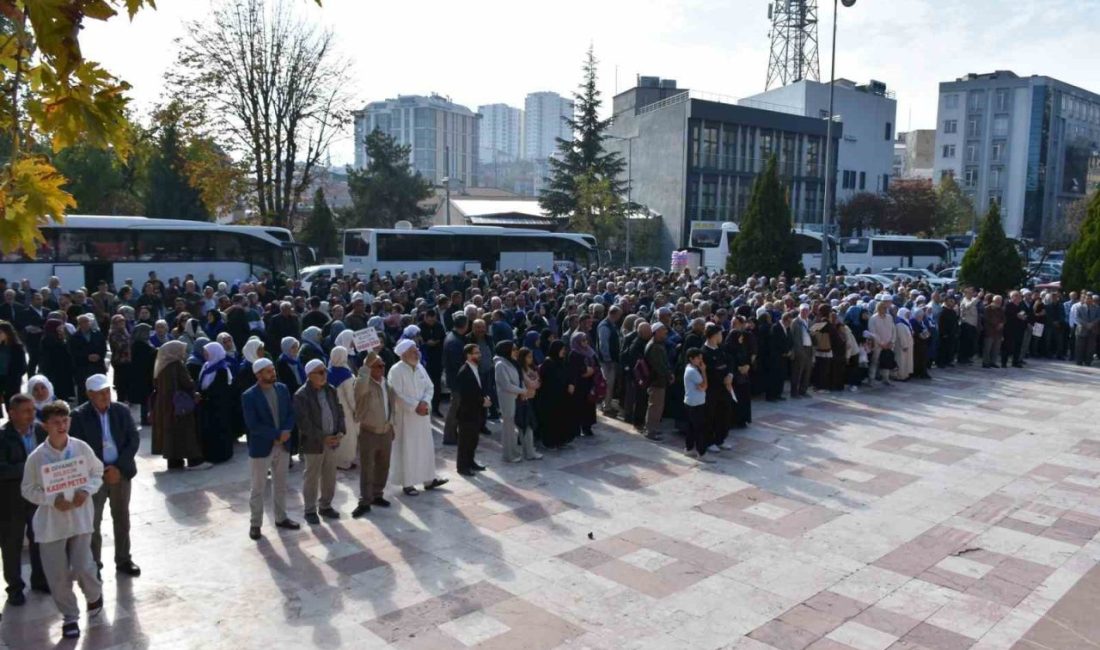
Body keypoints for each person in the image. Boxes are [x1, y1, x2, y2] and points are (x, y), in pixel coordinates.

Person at [22, 400, 103, 639]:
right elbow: (27, 489)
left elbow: (97, 472)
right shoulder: (37, 457)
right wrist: (51, 500)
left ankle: (94, 594)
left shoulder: (81, 448)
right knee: (56, 575)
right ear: (45, 425)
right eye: (55, 422)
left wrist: (86, 490)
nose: (61, 426)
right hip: (51, 524)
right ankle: (70, 616)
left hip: (79, 517)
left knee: (82, 565)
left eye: (65, 420)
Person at [68, 374, 141, 578]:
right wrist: (101, 472)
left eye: (107, 391)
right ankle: (94, 564)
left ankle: (124, 559)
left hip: (121, 473)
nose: (105, 396)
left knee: (122, 517)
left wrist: (118, 468)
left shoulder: (121, 411)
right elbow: (79, 449)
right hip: (94, 478)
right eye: (100, 393)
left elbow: (132, 439)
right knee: (93, 522)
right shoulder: (79, 417)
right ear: (89, 394)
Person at [241, 358, 299, 541]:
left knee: (281, 484)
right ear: (258, 375)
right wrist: (276, 435)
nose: (272, 373)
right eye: (268, 371)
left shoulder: (282, 389)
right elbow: (253, 425)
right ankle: (255, 524)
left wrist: (286, 431)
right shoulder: (249, 396)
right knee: (258, 488)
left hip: (283, 445)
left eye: (273, 370)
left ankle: (281, 518)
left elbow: (290, 413)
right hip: (262, 447)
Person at [0, 394, 48, 605]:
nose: (32, 415)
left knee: (39, 539)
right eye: (26, 411)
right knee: (12, 544)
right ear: (12, 414)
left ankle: (39, 579)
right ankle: (15, 587)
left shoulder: (39, 430)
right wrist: (30, 469)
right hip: (12, 500)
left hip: (37, 497)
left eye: (32, 410)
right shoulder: (3, 437)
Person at [387, 340, 449, 495]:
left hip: (422, 416)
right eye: (413, 351)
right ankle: (408, 484)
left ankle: (429, 479)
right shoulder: (396, 370)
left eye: (417, 350)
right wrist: (416, 406)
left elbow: (430, 387)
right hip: (406, 418)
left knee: (425, 448)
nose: (417, 353)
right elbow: (397, 395)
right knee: (408, 450)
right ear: (404, 354)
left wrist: (425, 402)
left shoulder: (420, 367)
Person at [294, 359, 345, 524]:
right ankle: (309, 510)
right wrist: (323, 437)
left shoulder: (330, 390)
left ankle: (326, 505)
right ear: (310, 375)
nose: (325, 375)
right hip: (314, 444)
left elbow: (338, 410)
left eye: (325, 371)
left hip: (332, 441)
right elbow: (304, 423)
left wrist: (340, 431)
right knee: (312, 477)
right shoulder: (301, 395)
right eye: (320, 372)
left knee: (330, 475)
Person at [151, 341, 205, 470]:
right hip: (179, 405)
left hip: (165, 405)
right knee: (186, 432)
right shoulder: (177, 365)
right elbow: (187, 383)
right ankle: (194, 460)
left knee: (171, 433)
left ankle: (174, 461)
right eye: (181, 350)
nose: (183, 353)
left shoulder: (162, 366)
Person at [351, 352, 393, 517]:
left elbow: (391, 406)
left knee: (384, 466)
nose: (382, 369)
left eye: (383, 365)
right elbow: (359, 390)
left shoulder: (386, 383)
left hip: (386, 431)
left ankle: (377, 494)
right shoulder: (364, 383)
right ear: (369, 368)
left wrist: (392, 426)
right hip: (369, 432)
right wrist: (366, 366)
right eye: (378, 366)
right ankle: (365, 501)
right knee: (367, 468)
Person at [198, 341, 235, 464]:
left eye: (207, 352)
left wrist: (203, 395)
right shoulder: (206, 366)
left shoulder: (222, 369)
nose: (205, 354)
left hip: (218, 406)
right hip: (207, 405)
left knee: (219, 431)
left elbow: (218, 389)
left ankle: (221, 455)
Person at [455, 343, 490, 476]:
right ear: (468, 355)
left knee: (473, 440)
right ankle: (462, 467)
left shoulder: (476, 368)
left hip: (476, 411)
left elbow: (479, 388)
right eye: (476, 353)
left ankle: (471, 462)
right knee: (465, 441)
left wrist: (485, 397)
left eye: (479, 353)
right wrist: (483, 401)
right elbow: (467, 394)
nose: (479, 355)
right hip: (467, 412)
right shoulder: (464, 372)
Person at [494, 341, 527, 462]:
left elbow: (519, 377)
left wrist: (522, 390)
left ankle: (513, 451)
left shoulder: (511, 361)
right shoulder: (500, 365)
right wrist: (522, 391)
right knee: (508, 428)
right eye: (513, 349)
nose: (516, 351)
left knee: (513, 427)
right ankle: (508, 454)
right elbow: (506, 385)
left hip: (515, 396)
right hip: (507, 398)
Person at [536, 340, 572, 450]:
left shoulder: (562, 361)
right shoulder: (548, 363)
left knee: (560, 419)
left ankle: (560, 440)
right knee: (551, 420)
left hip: (561, 396)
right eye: (561, 349)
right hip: (549, 397)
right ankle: (550, 442)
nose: (563, 351)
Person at [328, 346, 359, 470]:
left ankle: (334, 460)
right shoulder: (347, 376)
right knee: (348, 436)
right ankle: (344, 462)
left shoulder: (327, 372)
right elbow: (351, 397)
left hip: (331, 409)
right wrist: (357, 411)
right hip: (345, 410)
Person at [442, 314, 469, 446]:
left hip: (456, 379)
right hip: (457, 381)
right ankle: (450, 436)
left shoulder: (455, 338)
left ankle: (453, 434)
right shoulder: (454, 341)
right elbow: (456, 364)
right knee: (455, 408)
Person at [682, 348, 713, 462]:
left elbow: (701, 387)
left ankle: (689, 448)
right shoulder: (693, 371)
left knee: (691, 427)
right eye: (698, 358)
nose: (701, 360)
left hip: (691, 401)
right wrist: (704, 371)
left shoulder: (691, 368)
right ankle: (702, 453)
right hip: (696, 404)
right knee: (700, 429)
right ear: (691, 359)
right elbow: (704, 386)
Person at [644, 323, 673, 439]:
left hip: (659, 380)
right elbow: (659, 366)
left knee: (657, 406)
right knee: (655, 406)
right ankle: (651, 431)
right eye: (663, 330)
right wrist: (668, 375)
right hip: (656, 381)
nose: (665, 332)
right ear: (656, 332)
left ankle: (654, 428)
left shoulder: (658, 344)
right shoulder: (654, 346)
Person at [68, 315, 107, 402]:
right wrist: (86, 357)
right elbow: (73, 352)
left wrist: (99, 356)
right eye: (84, 322)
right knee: (83, 391)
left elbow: (103, 348)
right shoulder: (74, 337)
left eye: (87, 322)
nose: (86, 324)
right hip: (82, 368)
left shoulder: (97, 334)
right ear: (79, 324)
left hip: (97, 366)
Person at [567, 332, 599, 438]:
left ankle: (587, 427)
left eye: (586, 340)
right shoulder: (574, 353)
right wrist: (585, 371)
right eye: (583, 340)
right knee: (578, 406)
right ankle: (576, 428)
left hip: (589, 383)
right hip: (579, 384)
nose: (585, 342)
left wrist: (592, 370)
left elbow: (596, 364)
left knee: (589, 405)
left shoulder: (590, 351)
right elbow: (574, 370)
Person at [515, 347, 542, 461]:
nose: (531, 359)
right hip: (525, 399)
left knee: (531, 425)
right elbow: (531, 383)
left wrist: (536, 381)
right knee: (527, 425)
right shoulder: (520, 370)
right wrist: (535, 382)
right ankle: (529, 452)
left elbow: (538, 381)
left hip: (533, 398)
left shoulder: (531, 368)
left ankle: (529, 449)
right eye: (529, 357)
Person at [419, 309, 446, 416]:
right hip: (424, 360)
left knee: (436, 385)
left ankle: (435, 407)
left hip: (436, 359)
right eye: (429, 320)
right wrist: (426, 343)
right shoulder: (419, 327)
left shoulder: (439, 326)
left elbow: (443, 339)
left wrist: (436, 342)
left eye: (433, 320)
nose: (431, 322)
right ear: (425, 318)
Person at [40, 319, 74, 403]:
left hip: (62, 365)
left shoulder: (59, 336)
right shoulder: (49, 338)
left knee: (63, 381)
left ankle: (64, 395)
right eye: (59, 327)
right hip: (53, 366)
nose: (61, 328)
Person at [129, 323, 156, 426]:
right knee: (145, 398)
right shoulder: (138, 345)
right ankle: (145, 418)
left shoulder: (142, 343)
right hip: (142, 375)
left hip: (145, 373)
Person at [0, 321, 27, 416]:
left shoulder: (17, 348)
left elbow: (22, 367)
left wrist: (14, 377)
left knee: (12, 406)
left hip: (11, 381)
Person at [788, 305, 814, 398]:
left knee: (807, 371)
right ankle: (794, 392)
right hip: (799, 349)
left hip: (809, 348)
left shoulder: (810, 322)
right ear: (800, 311)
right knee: (797, 371)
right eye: (803, 310)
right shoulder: (795, 322)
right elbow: (791, 336)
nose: (805, 312)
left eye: (806, 311)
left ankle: (803, 390)